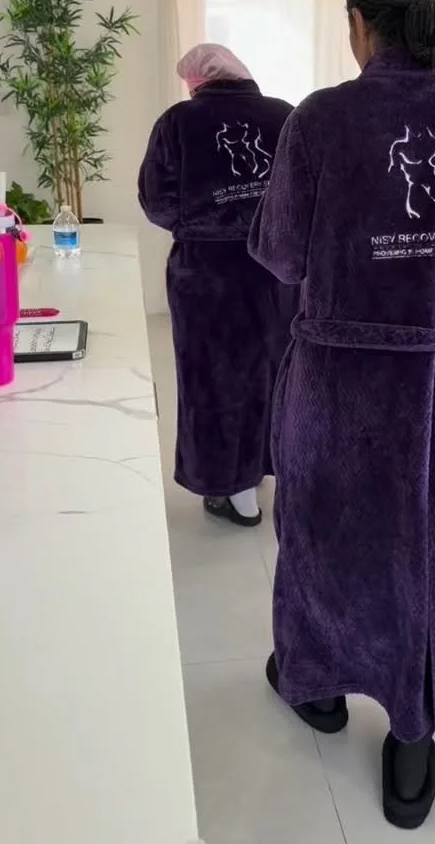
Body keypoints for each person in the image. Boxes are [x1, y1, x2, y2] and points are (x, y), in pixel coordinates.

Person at [248, 0, 435, 828]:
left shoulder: (322, 118)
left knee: (328, 542)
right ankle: (415, 737)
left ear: (360, 25)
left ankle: (317, 683)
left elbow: (282, 253)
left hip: (345, 391)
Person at [139, 43, 296, 527]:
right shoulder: (284, 115)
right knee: (274, 371)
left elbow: (156, 201)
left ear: (196, 80)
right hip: (276, 270)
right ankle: (267, 468)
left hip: (207, 276)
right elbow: (306, 193)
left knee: (213, 381)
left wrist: (200, 225)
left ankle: (234, 490)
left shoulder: (178, 122)